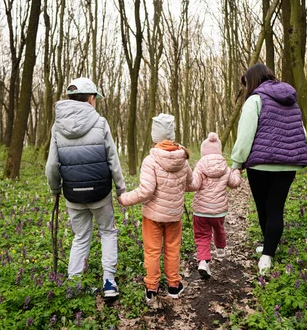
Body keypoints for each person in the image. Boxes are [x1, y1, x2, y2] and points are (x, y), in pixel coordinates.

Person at [45, 77, 126, 298]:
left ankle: (74, 285)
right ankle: (109, 283)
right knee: (108, 232)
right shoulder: (100, 122)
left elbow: (52, 164)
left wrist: (55, 188)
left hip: (73, 194)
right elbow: (113, 159)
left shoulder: (57, 127)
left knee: (80, 237)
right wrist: (120, 189)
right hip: (100, 193)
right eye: (95, 98)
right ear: (91, 99)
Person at [230, 63, 307, 275]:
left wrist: (237, 164)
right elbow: (302, 132)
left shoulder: (255, 100)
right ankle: (269, 248)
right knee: (276, 207)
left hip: (261, 164)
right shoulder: (291, 101)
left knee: (264, 208)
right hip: (287, 164)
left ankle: (267, 256)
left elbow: (245, 136)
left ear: (252, 80)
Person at [118, 113, 192, 302]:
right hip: (174, 215)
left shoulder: (150, 160)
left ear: (154, 136)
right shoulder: (183, 159)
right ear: (172, 134)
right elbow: (190, 184)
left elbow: (146, 191)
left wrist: (125, 198)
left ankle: (152, 288)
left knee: (152, 251)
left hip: (152, 216)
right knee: (172, 249)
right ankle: (174, 285)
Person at [188, 132, 242, 279]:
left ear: (203, 152)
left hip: (200, 211)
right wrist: (237, 172)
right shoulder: (225, 166)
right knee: (219, 229)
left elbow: (194, 185)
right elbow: (234, 183)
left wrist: (184, 181)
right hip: (218, 211)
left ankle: (203, 261)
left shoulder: (200, 166)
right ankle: (220, 249)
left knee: (202, 236)